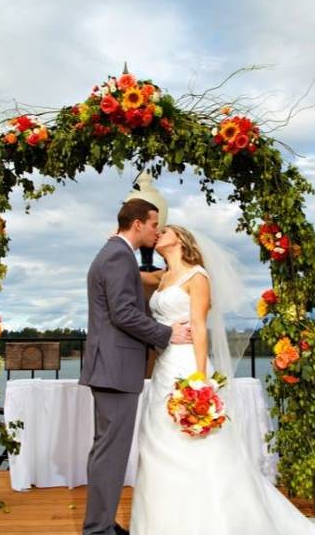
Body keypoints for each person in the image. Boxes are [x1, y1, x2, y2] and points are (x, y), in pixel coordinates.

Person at [129, 224, 315, 535]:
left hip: (188, 363)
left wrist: (199, 377)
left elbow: (200, 327)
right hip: (164, 367)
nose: (158, 233)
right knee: (158, 443)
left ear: (180, 238)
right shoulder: (161, 277)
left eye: (165, 230)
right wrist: (118, 240)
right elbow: (127, 271)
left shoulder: (197, 276)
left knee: (200, 445)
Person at [79, 199, 193, 535]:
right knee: (110, 453)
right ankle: (98, 530)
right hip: (114, 370)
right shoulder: (117, 255)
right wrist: (167, 334)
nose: (157, 231)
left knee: (109, 451)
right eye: (154, 224)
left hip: (112, 368)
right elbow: (124, 314)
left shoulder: (116, 252)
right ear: (139, 223)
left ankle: (101, 524)